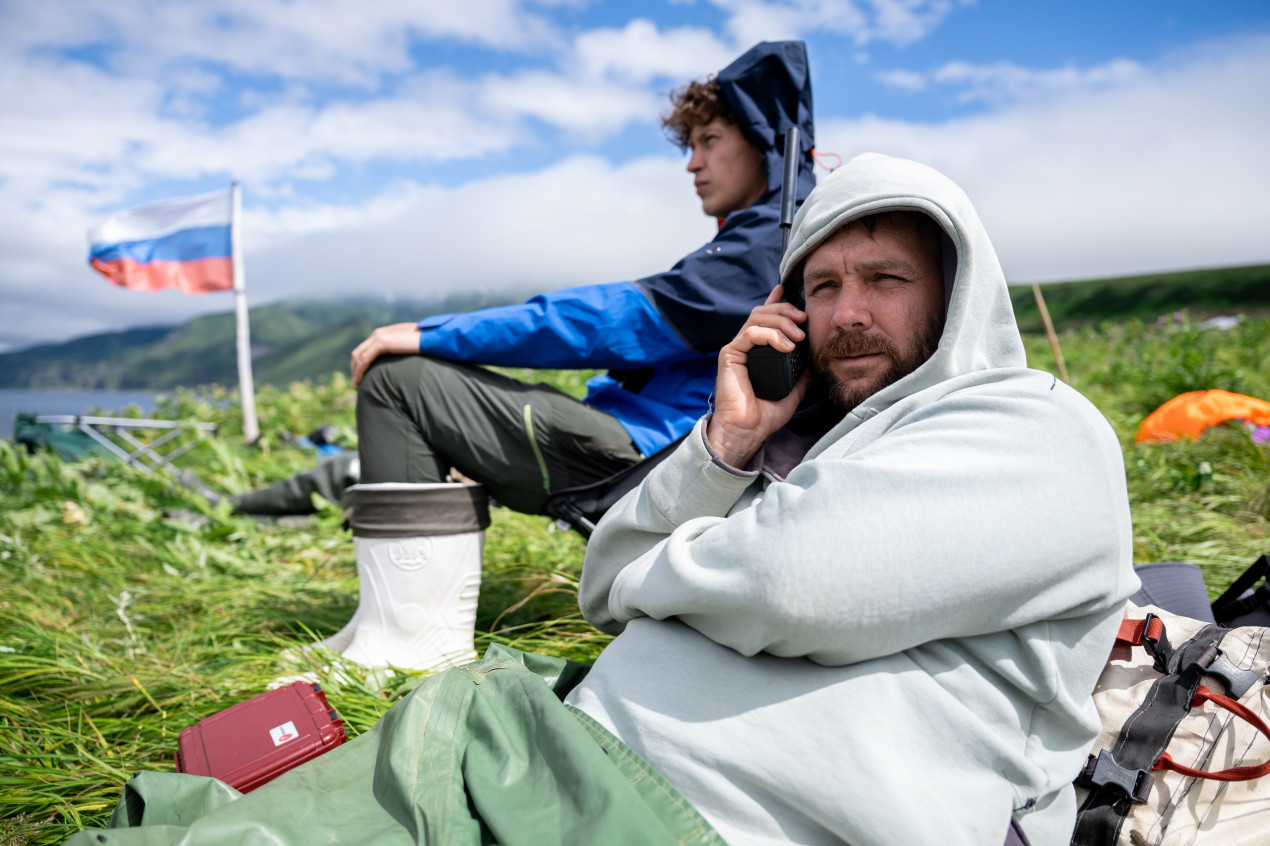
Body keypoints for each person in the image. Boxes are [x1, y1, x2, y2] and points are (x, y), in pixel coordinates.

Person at [71, 153, 1137, 846]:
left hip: (673, 813)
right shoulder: (818, 440)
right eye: (820, 288)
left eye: (886, 280)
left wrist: (662, 575)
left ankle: (404, 638)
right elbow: (603, 584)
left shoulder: (1032, 425)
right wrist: (724, 447)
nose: (846, 314)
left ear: (957, 292)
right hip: (552, 750)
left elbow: (787, 580)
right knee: (175, 825)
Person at [324, 40, 817, 672]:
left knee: (402, 381)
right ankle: (384, 622)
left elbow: (609, 322)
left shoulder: (763, 248)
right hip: (656, 446)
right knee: (428, 396)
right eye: (688, 146)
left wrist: (431, 331)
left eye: (710, 140)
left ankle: (409, 644)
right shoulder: (768, 238)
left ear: (764, 139)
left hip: (651, 459)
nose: (693, 163)